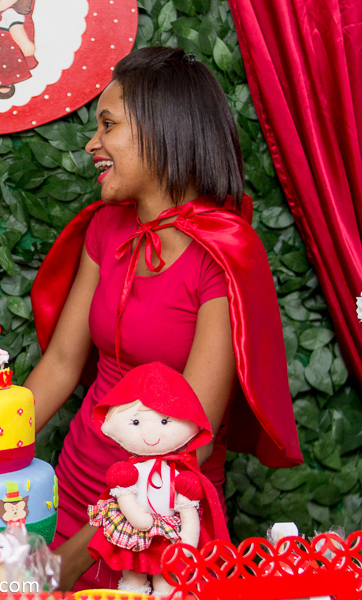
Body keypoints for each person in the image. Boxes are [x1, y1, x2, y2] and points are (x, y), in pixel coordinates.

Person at [25, 47, 301, 591]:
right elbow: (60, 365)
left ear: (161, 129)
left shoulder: (225, 255)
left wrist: (72, 559)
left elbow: (190, 442)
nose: (92, 143)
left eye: (108, 124)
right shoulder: (106, 227)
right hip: (76, 491)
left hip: (163, 521)